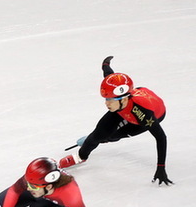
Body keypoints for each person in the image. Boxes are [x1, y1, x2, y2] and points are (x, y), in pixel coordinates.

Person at [59, 56, 172, 185]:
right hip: (126, 107)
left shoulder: (143, 114)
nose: (107, 104)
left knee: (112, 136)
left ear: (123, 99)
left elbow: (161, 137)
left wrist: (161, 167)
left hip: (151, 115)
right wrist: (105, 65)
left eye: (110, 100)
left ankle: (105, 139)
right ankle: (81, 157)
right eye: (106, 100)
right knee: (98, 134)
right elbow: (109, 77)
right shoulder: (118, 99)